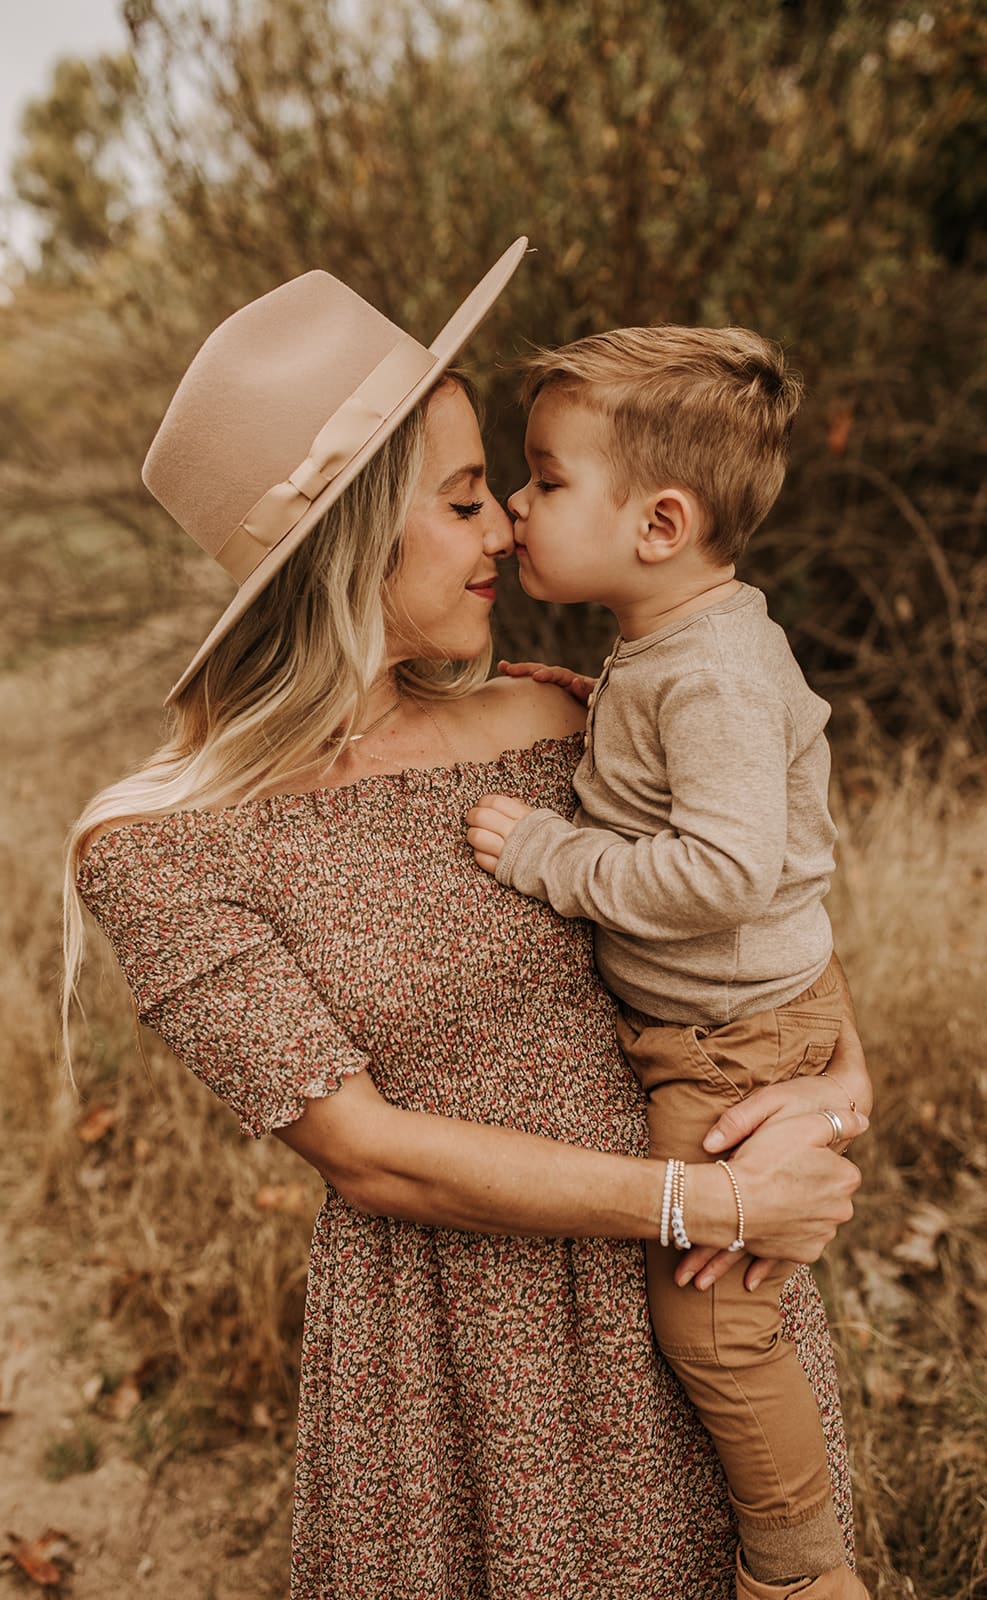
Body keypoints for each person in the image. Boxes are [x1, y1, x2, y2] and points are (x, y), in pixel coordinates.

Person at [64, 243, 871, 1600]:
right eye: (460, 500)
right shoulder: (158, 846)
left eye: (505, 489)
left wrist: (834, 1095)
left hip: (701, 1296)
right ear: (346, 541)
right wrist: (708, 1195)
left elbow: (758, 919)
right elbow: (368, 1157)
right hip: (454, 1359)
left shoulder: (567, 711)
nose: (502, 526)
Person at [464, 326, 871, 1598]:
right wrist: (588, 712)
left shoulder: (714, 675)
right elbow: (664, 771)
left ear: (658, 523)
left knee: (709, 1322)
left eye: (542, 480)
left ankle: (800, 1571)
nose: (517, 509)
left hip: (734, 1042)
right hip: (718, 1024)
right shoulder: (665, 647)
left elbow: (721, 873)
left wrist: (548, 851)